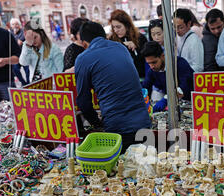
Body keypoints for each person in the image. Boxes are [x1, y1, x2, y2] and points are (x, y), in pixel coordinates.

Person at [75, 21, 151, 152]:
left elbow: (83, 102)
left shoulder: (83, 58)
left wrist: (97, 124)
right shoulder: (121, 48)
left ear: (84, 43)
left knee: (123, 170)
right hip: (143, 122)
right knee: (146, 166)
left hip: (118, 128)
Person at [141, 41, 194, 111]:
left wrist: (166, 99)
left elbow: (183, 87)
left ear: (162, 56)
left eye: (154, 62)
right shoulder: (152, 71)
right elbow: (145, 88)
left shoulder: (179, 63)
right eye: (149, 63)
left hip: (192, 103)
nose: (152, 66)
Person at [108, 9, 148, 78]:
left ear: (127, 25)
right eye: (113, 27)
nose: (116, 30)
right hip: (122, 79)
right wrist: (122, 46)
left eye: (118, 27)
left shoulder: (140, 38)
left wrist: (136, 49)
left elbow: (146, 60)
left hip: (141, 77)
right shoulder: (111, 40)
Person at [173, 8, 204, 72]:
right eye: (175, 27)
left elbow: (198, 67)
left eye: (180, 27)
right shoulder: (177, 37)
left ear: (189, 24)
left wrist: (183, 72)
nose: (177, 30)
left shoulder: (194, 41)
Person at [9, 18, 30, 86]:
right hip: (16, 56)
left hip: (25, 55)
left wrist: (23, 43)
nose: (15, 26)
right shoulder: (9, 34)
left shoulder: (24, 32)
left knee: (27, 71)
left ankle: (28, 83)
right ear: (11, 26)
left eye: (17, 24)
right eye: (13, 24)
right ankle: (23, 83)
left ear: (19, 25)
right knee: (15, 70)